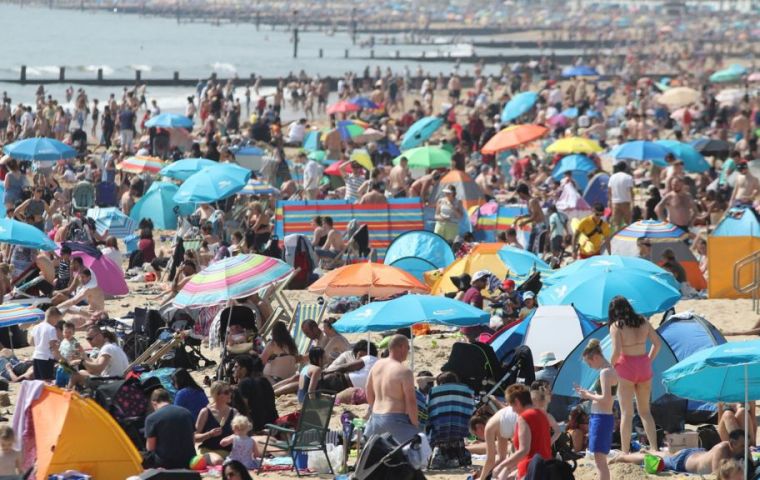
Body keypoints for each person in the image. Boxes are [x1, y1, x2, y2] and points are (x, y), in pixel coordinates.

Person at [609, 295, 660, 452]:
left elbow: (617, 352)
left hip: (626, 367)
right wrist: (648, 361)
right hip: (644, 365)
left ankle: (625, 452)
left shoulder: (617, 326)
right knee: (645, 412)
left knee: (627, 414)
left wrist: (609, 366)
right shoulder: (643, 321)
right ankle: (654, 448)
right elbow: (657, 344)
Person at [610, 429, 746, 476]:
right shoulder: (722, 449)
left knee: (664, 455)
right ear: (732, 443)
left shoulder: (738, 451)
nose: (745, 448)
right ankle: (622, 458)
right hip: (684, 461)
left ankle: (650, 450)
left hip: (696, 454)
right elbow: (716, 475)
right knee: (653, 459)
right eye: (742, 445)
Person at [364, 335, 419, 443]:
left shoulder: (377, 365)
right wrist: (415, 424)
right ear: (401, 347)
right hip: (394, 419)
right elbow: (411, 401)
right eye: (408, 348)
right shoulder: (404, 371)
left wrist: (373, 407)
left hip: (375, 418)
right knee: (420, 443)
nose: (408, 351)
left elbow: (368, 389)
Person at [577, 338, 618, 480]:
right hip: (604, 417)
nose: (590, 366)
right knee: (601, 461)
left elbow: (606, 399)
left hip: (601, 418)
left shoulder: (605, 372)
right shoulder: (611, 369)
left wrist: (588, 395)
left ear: (595, 357)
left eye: (589, 362)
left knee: (600, 462)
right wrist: (590, 394)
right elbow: (608, 397)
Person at [493, 384, 552, 480]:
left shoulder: (524, 418)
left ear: (517, 402)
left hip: (531, 471)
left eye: (511, 405)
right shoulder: (542, 414)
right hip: (547, 468)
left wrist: (501, 466)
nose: (512, 410)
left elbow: (524, 451)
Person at [143, 388, 196, 469]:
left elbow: (150, 448)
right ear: (169, 399)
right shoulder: (186, 413)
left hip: (165, 465)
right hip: (189, 461)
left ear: (154, 403)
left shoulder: (151, 419)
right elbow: (192, 440)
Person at [195, 381, 237, 465]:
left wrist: (233, 436)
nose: (230, 394)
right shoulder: (205, 412)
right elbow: (195, 437)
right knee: (218, 461)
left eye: (230, 391)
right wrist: (209, 434)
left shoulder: (234, 412)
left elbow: (241, 433)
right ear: (216, 395)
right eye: (226, 392)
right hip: (208, 450)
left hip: (227, 451)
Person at [232, 355, 278, 432]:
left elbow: (243, 409)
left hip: (258, 427)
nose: (233, 369)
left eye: (236, 367)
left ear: (244, 369)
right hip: (273, 423)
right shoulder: (264, 380)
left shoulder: (244, 384)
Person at [29, 307, 62, 381]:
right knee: (47, 381)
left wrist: (41, 343)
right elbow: (52, 346)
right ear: (53, 317)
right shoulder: (51, 328)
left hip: (36, 355)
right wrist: (60, 357)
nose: (57, 322)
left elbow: (31, 342)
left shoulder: (36, 327)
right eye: (57, 320)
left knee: (38, 381)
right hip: (46, 357)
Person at [514, 183, 546, 254]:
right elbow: (531, 214)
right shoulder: (529, 201)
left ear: (521, 193)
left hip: (540, 226)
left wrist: (525, 222)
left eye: (519, 194)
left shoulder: (532, 201)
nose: (519, 196)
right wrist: (521, 217)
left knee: (536, 248)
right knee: (530, 247)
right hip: (536, 226)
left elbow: (535, 215)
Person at [460, 270, 491, 342]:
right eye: (483, 280)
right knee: (495, 336)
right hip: (472, 328)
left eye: (486, 280)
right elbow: (473, 309)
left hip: (465, 326)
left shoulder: (470, 290)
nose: (485, 283)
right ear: (476, 281)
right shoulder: (476, 293)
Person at [608, 161, 634, 230]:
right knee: (628, 223)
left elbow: (609, 192)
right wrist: (633, 203)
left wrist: (610, 202)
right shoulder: (628, 177)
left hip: (615, 202)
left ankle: (617, 239)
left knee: (617, 224)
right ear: (625, 168)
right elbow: (631, 192)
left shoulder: (612, 177)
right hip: (625, 202)